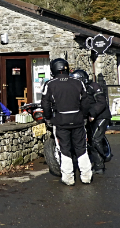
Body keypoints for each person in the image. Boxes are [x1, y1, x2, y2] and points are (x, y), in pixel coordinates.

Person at [41, 58, 93, 186]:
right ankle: (86, 176)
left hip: (60, 121)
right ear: (66, 68)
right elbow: (86, 102)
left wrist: (48, 118)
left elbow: (45, 104)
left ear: (53, 69)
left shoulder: (50, 84)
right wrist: (84, 116)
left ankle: (68, 178)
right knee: (81, 148)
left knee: (64, 149)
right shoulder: (78, 82)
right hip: (77, 120)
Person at [70, 69, 112, 174]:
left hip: (101, 116)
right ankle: (98, 165)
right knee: (90, 140)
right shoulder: (78, 90)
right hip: (88, 117)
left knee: (95, 140)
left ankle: (100, 164)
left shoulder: (94, 86)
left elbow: (102, 102)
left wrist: (93, 113)